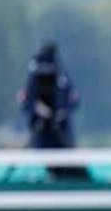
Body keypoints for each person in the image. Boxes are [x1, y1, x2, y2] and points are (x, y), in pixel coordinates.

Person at [17, 41, 86, 179]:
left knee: (64, 160)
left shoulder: (58, 76)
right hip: (46, 129)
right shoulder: (58, 75)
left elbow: (70, 100)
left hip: (58, 128)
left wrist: (56, 112)